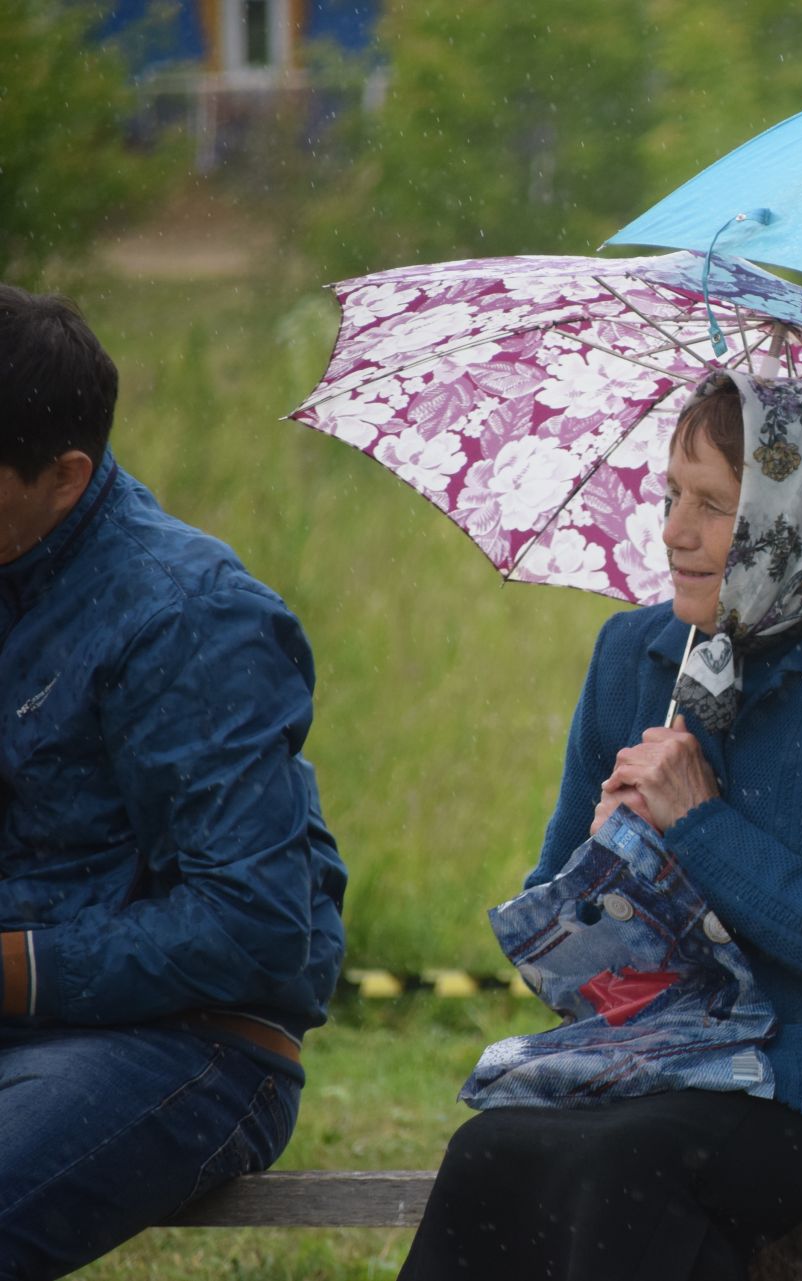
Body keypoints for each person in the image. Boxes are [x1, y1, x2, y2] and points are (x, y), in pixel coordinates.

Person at [400, 371, 802, 1281]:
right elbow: (557, 958)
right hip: (656, 1052)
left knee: (628, 1162)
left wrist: (699, 825)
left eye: (714, 504)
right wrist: (604, 867)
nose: (673, 531)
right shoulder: (639, 653)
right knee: (491, 1151)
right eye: (672, 494)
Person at [0, 285, 347, 1278]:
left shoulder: (191, 619)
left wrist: (16, 965)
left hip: (184, 1048)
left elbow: (253, 930)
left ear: (66, 477)